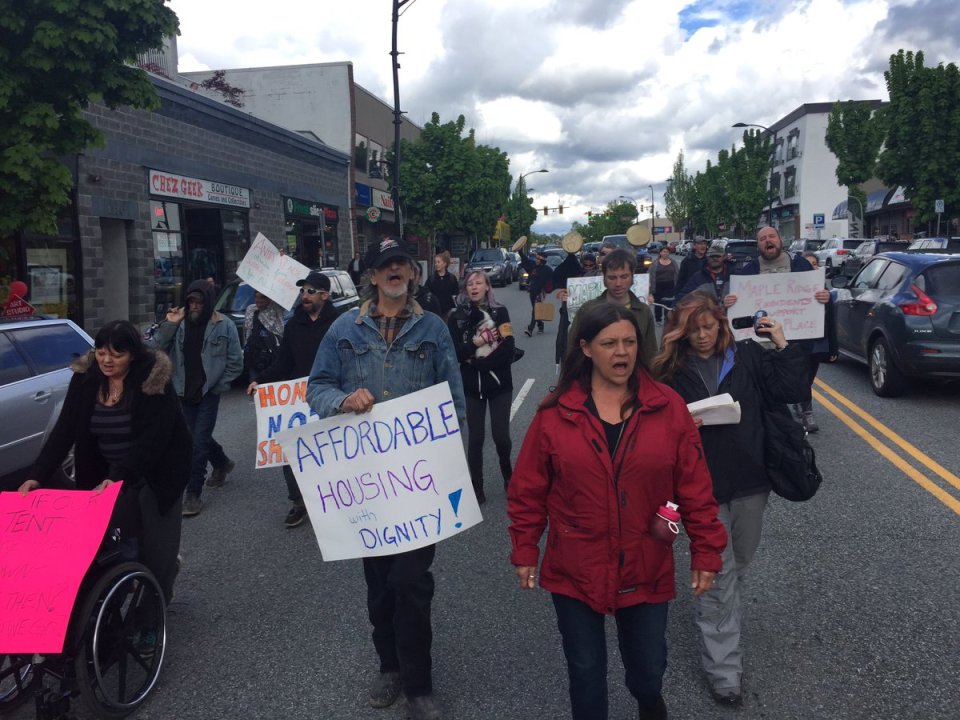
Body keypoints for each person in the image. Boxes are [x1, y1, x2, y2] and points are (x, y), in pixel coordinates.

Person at [508, 302, 726, 720]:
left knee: (648, 671)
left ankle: (649, 700)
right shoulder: (555, 414)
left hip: (646, 560)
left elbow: (695, 487)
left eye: (629, 342)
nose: (621, 352)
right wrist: (524, 549)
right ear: (586, 348)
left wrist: (707, 550)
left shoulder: (667, 407)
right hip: (575, 565)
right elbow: (528, 490)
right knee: (585, 672)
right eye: (609, 343)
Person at [306, 237, 466, 720]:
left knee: (410, 581)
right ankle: (389, 665)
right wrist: (342, 400)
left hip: (418, 483)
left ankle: (419, 685)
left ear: (412, 274)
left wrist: (453, 472)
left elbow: (454, 400)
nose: (395, 270)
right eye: (386, 265)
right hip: (366, 485)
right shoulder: (342, 330)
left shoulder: (433, 329)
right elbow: (317, 388)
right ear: (373, 276)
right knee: (379, 584)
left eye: (402, 264)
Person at [650, 291, 806, 706]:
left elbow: (790, 389)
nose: (703, 336)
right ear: (681, 333)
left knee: (739, 564)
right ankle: (725, 671)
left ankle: (718, 614)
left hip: (752, 480)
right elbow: (651, 427)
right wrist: (681, 426)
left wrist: (783, 345)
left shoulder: (748, 357)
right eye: (694, 330)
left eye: (709, 327)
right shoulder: (668, 371)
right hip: (701, 487)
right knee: (718, 574)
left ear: (720, 325)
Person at [19, 320, 191, 603]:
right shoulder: (86, 379)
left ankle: (154, 605)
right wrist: (37, 474)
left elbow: (153, 440)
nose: (106, 361)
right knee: (108, 545)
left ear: (132, 355)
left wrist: (120, 475)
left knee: (157, 549)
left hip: (158, 471)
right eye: (100, 352)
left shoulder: (153, 380)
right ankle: (112, 600)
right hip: (110, 472)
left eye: (116, 354)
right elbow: (64, 430)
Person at [246, 271, 340, 528]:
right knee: (291, 452)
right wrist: (260, 381)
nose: (304, 296)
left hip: (330, 396)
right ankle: (299, 502)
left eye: (310, 291)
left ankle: (333, 498)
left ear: (324, 295)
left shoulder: (339, 324)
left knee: (329, 452)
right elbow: (283, 362)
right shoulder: (293, 325)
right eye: (302, 291)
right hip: (299, 400)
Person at [148, 278, 243, 516]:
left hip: (208, 392)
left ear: (208, 302)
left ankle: (193, 494)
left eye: (199, 302)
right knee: (196, 436)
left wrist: (219, 385)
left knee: (196, 443)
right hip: (183, 391)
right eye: (191, 302)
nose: (194, 306)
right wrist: (170, 323)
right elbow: (155, 347)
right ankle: (221, 463)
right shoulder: (179, 324)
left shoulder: (224, 325)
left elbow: (236, 361)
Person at [447, 269, 515, 504]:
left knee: (501, 436)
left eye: (479, 283)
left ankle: (508, 474)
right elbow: (455, 352)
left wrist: (478, 363)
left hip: (499, 383)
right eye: (470, 284)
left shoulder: (500, 312)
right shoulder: (456, 317)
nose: (474, 287)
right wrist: (476, 343)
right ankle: (477, 487)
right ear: (465, 289)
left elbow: (508, 347)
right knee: (475, 439)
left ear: (487, 286)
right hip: (471, 386)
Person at [567, 248, 657, 366]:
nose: (618, 284)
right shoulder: (588, 310)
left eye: (624, 277)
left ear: (632, 278)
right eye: (612, 278)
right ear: (604, 278)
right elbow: (572, 351)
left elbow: (650, 353)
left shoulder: (643, 312)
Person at [794, 253, 839, 432]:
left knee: (809, 377)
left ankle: (800, 400)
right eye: (807, 264)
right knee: (801, 376)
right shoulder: (792, 287)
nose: (811, 267)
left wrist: (833, 347)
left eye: (814, 264)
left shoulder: (823, 290)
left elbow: (831, 320)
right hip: (798, 340)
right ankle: (807, 412)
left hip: (818, 340)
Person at [243, 291, 285, 381]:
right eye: (256, 298)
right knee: (254, 383)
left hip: (271, 355)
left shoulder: (275, 309)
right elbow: (247, 331)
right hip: (254, 355)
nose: (258, 301)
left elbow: (280, 331)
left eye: (262, 298)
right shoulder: (251, 309)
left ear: (269, 299)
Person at [675, 241, 734, 305]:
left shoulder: (734, 275)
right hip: (706, 311)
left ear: (724, 257)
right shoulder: (698, 277)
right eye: (711, 256)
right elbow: (682, 298)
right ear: (707, 257)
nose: (714, 258)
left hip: (730, 311)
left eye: (718, 256)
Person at [518, 247, 554, 336]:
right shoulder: (533, 266)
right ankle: (540, 325)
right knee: (536, 309)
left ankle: (530, 329)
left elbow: (554, 280)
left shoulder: (548, 270)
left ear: (542, 260)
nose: (536, 260)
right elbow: (525, 260)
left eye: (538, 259)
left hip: (540, 293)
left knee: (535, 310)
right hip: (532, 292)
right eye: (536, 258)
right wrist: (520, 251)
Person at [646, 245, 680, 323]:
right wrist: (649, 286)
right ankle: (658, 319)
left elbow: (678, 273)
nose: (665, 253)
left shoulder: (673, 262)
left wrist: (678, 286)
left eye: (667, 252)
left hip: (670, 286)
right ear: (660, 253)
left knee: (668, 304)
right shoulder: (655, 263)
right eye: (664, 251)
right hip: (658, 286)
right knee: (658, 303)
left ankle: (667, 319)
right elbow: (650, 274)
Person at [425, 250, 459, 318]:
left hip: (449, 312)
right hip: (435, 312)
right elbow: (427, 294)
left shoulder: (452, 278)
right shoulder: (431, 279)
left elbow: (456, 294)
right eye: (435, 262)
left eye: (438, 262)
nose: (436, 264)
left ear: (444, 263)